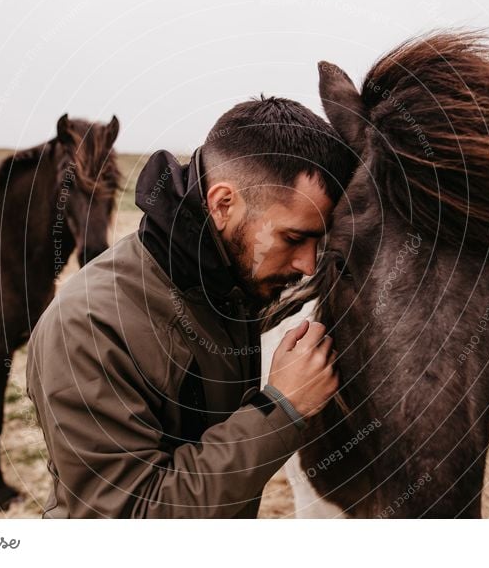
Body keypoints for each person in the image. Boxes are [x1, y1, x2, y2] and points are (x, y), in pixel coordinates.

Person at [26, 95, 356, 518]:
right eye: (294, 239)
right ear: (222, 204)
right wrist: (281, 408)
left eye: (319, 243)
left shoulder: (229, 282)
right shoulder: (87, 327)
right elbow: (130, 517)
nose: (308, 267)